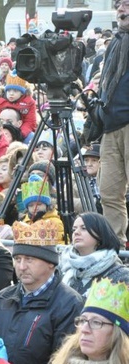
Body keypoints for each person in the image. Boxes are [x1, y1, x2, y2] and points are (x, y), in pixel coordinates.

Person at [0, 219, 83, 364]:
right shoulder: (2, 298)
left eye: (29, 259)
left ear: (50, 263)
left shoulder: (69, 303)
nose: (21, 266)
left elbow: (61, 361)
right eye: (18, 259)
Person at [95, 0, 129, 244]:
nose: (121, 8)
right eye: (118, 4)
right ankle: (114, 251)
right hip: (111, 126)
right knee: (108, 193)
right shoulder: (116, 43)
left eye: (127, 3)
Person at [59, 212, 129, 299]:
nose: (76, 232)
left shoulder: (121, 276)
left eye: (84, 228)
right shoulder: (63, 269)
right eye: (74, 229)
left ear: (100, 234)